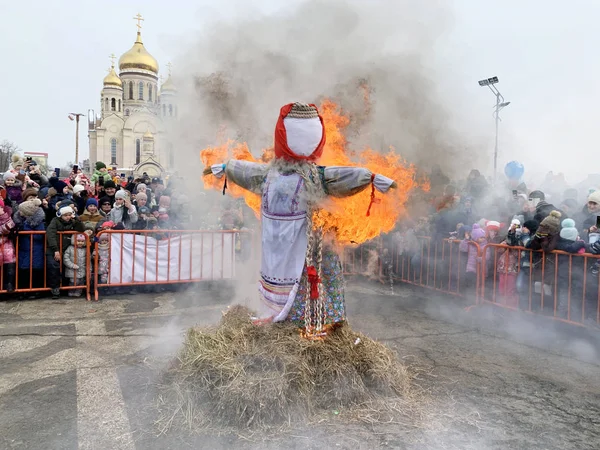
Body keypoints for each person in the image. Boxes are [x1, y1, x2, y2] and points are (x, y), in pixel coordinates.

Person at [203, 102, 396, 334]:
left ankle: (316, 324)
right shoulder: (268, 174)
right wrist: (225, 167)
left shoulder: (316, 176)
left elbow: (343, 176)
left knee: (317, 275)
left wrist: (370, 177)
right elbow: (245, 170)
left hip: (308, 244)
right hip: (276, 245)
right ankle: (285, 323)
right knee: (286, 282)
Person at [45, 206, 85, 299]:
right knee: (53, 267)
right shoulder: (55, 221)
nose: (68, 217)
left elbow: (81, 229)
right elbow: (50, 235)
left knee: (66, 269)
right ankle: (55, 288)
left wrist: (77, 219)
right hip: (53, 249)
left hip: (66, 249)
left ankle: (65, 288)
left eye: (69, 215)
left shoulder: (73, 221)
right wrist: (55, 250)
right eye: (65, 215)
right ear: (60, 215)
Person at [14, 198, 45, 291]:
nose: (19, 212)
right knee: (24, 270)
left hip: (35, 250)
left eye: (21, 210)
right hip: (24, 249)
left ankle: (35, 290)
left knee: (35, 270)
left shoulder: (38, 223)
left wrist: (25, 231)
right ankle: (24, 290)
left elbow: (40, 236)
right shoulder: (21, 222)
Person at [63, 233, 87, 297]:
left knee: (81, 282)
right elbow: (66, 258)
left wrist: (88, 270)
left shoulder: (86, 249)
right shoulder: (70, 248)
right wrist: (71, 265)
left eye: (82, 241)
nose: (80, 243)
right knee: (73, 281)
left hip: (82, 269)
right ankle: (71, 291)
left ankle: (78, 292)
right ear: (74, 241)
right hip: (72, 269)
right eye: (78, 241)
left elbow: (88, 260)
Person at [0, 198, 16, 291]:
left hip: (7, 245)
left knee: (9, 265)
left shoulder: (8, 217)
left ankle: (9, 284)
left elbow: (10, 226)